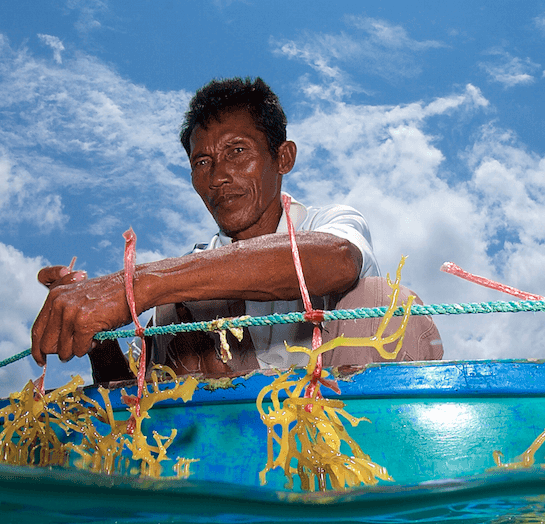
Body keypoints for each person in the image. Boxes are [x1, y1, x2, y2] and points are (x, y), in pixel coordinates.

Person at [31, 77, 441, 381]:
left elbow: (336, 262)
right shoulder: (188, 277)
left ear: (283, 158)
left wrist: (137, 286)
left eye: (237, 151)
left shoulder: (327, 225)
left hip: (336, 446)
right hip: (228, 458)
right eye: (202, 162)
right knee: (175, 314)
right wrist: (97, 336)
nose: (219, 177)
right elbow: (128, 401)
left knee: (382, 300)